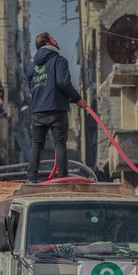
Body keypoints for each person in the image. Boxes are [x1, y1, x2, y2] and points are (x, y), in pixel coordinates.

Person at [26, 32, 87, 183]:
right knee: (59, 144)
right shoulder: (59, 61)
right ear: (48, 43)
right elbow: (63, 83)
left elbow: (32, 89)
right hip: (56, 109)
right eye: (53, 38)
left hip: (37, 111)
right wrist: (77, 99)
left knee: (36, 144)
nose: (56, 40)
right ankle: (63, 178)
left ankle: (31, 178)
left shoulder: (31, 67)